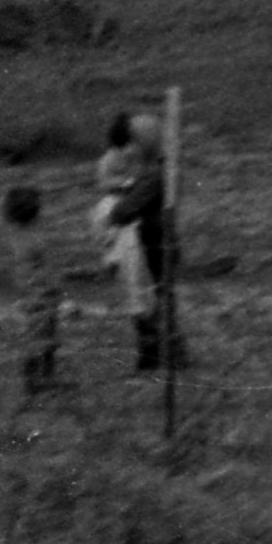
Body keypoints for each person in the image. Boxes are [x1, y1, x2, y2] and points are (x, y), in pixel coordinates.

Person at [92, 110, 173, 376]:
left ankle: (157, 355)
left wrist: (116, 214)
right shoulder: (159, 169)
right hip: (155, 240)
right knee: (159, 297)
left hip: (152, 243)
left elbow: (125, 211)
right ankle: (168, 352)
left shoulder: (152, 176)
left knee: (148, 298)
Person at [0, 178, 64, 395]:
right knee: (44, 337)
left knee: (35, 337)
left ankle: (36, 379)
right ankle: (42, 379)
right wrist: (57, 288)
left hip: (27, 293)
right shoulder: (37, 239)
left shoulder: (16, 238)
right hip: (43, 294)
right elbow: (48, 269)